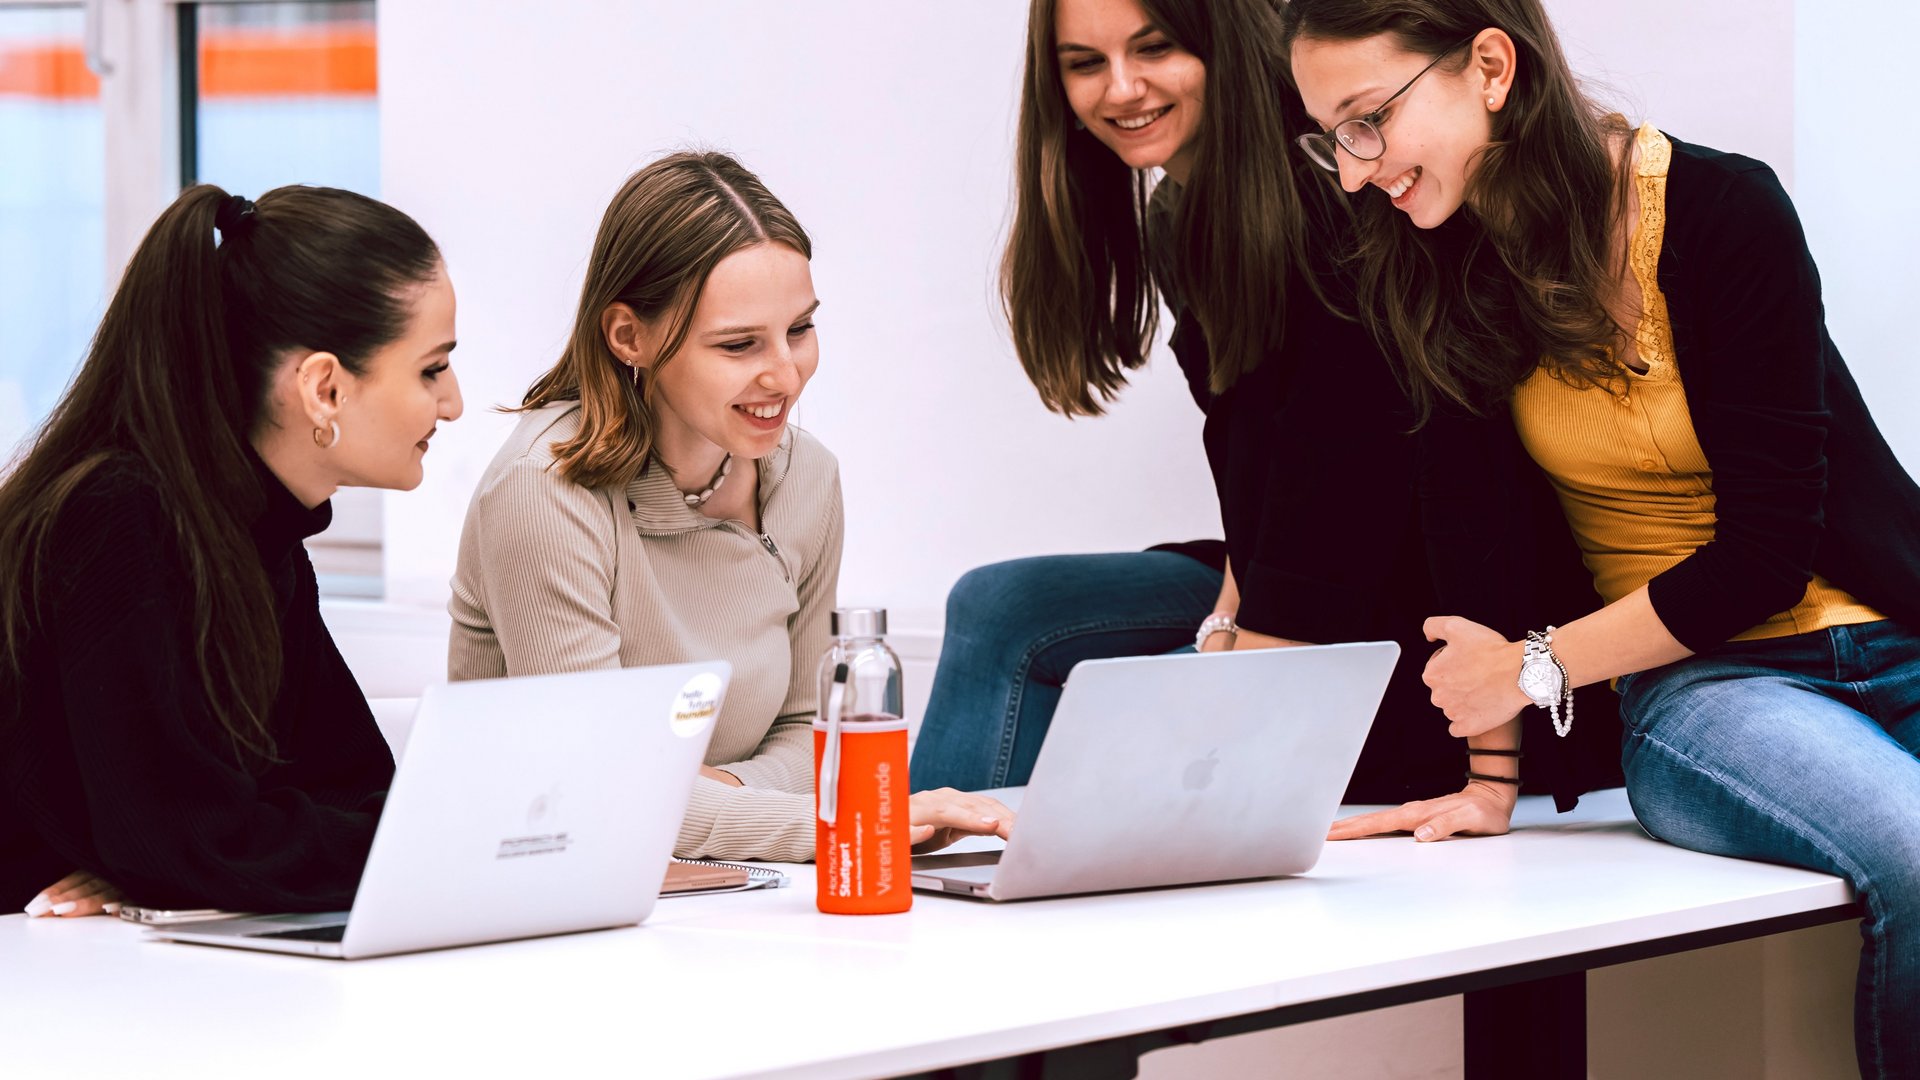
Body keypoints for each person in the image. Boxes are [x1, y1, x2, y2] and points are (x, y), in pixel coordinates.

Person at [1283, 2, 1920, 1073]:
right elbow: (1472, 545)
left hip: (1891, 637)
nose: (1356, 171)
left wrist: (1531, 672)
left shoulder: (1723, 208)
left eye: (1369, 120)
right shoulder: (1431, 260)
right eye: (1333, 137)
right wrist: (1491, 780)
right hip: (1712, 690)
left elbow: (1770, 547)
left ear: (1490, 65)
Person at [911, 0, 1617, 811]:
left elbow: (1350, 482)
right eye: (1083, 63)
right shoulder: (1183, 213)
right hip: (1285, 565)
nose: (1122, 88)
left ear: (1221, 43)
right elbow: (1257, 470)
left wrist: (1237, 668)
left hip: (1406, 601)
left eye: (1156, 47)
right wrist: (1223, 625)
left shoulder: (1338, 184)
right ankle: (927, 856)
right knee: (1004, 607)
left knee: (1133, 740)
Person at [448, 152, 1014, 862]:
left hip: (736, 887)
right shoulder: (544, 493)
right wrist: (851, 822)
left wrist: (709, 791)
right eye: (740, 344)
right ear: (630, 336)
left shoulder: (807, 479)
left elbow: (814, 732)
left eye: (800, 330)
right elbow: (597, 792)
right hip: (546, 889)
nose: (786, 374)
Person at [0, 183, 463, 917]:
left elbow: (356, 791)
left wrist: (180, 856)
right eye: (432, 369)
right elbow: (189, 843)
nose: (453, 402)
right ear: (324, 388)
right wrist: (179, 857)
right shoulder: (120, 517)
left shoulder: (261, 530)